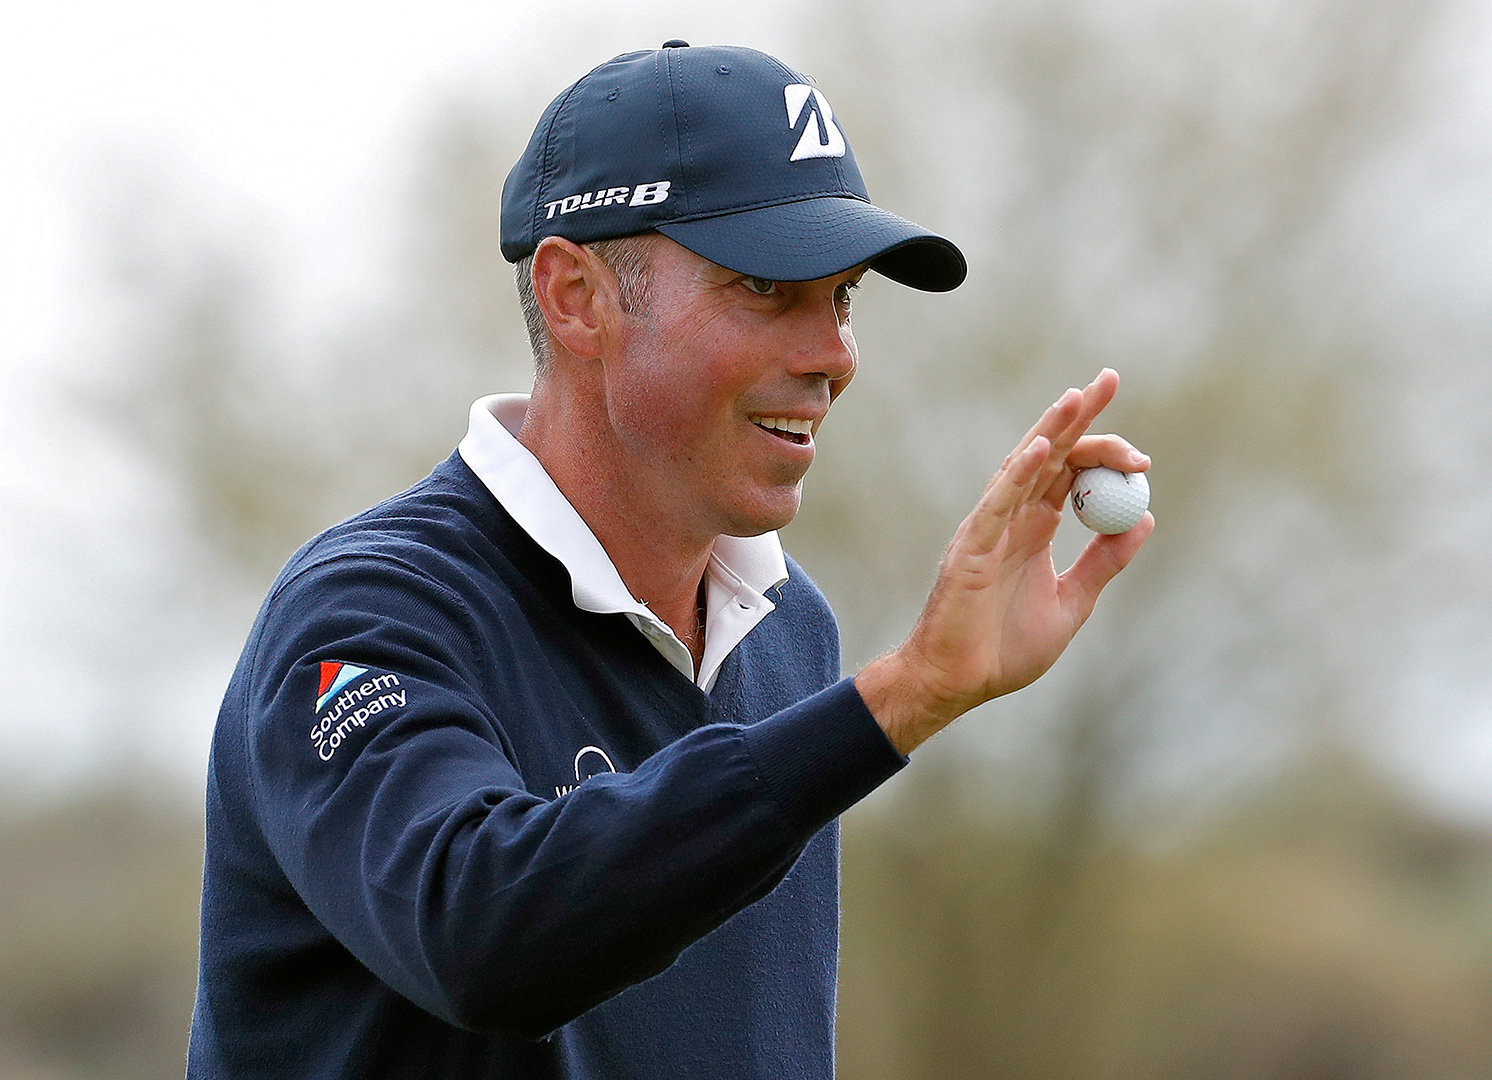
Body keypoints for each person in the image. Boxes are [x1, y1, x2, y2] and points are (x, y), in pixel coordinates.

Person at [187, 41, 1152, 1080]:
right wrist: (906, 695)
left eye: (842, 298)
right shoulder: (367, 614)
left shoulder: (789, 632)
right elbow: (481, 936)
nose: (832, 354)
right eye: (766, 288)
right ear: (575, 297)